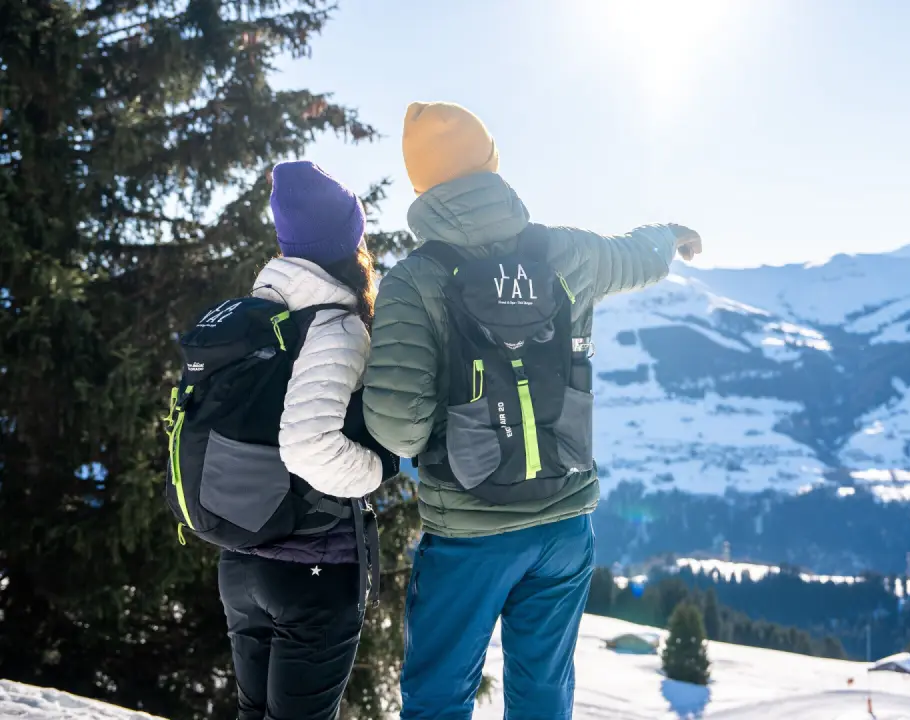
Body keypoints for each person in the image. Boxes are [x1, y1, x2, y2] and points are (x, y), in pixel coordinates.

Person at [363, 102, 702, 719]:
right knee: (542, 691)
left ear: (421, 187)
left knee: (439, 695)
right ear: (493, 165)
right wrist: (670, 235)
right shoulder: (564, 251)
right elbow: (637, 256)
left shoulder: (415, 279)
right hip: (565, 520)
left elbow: (399, 425)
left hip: (467, 528)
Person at [218, 160, 397, 720]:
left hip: (242, 561)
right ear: (348, 238)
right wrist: (379, 469)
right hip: (310, 569)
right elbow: (307, 447)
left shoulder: (255, 315)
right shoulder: (334, 325)